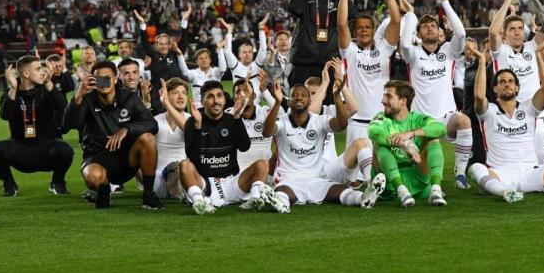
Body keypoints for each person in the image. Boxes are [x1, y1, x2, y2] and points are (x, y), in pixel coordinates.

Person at [261, 80, 384, 212]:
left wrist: (337, 96)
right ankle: (281, 203)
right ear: (289, 101)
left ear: (309, 101)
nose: (299, 98)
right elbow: (266, 132)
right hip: (289, 181)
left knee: (343, 190)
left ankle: (363, 198)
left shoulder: (319, 121)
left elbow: (341, 125)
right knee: (283, 192)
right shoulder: (281, 122)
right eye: (294, 95)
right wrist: (277, 102)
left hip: (317, 180)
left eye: (303, 95)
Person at [468, 41, 544, 202]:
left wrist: (538, 57)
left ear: (517, 87)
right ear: (495, 88)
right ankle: (504, 193)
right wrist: (481, 61)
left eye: (511, 81)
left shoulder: (529, 108)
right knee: (476, 168)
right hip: (501, 174)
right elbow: (479, 96)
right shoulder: (488, 111)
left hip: (531, 173)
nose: (507, 84)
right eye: (502, 82)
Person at [398, 0, 473, 188]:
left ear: (440, 31)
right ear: (418, 34)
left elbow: (461, 34)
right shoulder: (413, 54)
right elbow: (404, 44)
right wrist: (410, 14)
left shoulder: (449, 51)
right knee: (421, 175)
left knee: (464, 121)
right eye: (425, 27)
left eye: (433, 26)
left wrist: (445, 2)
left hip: (446, 117)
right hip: (420, 120)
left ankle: (460, 175)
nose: (430, 29)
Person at [62, 61, 163, 209]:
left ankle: (148, 194)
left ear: (116, 79)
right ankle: (104, 191)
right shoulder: (88, 99)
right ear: (93, 80)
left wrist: (127, 129)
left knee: (147, 138)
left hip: (126, 158)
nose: (104, 83)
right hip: (97, 156)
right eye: (99, 79)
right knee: (93, 177)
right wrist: (79, 95)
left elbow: (152, 124)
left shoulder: (130, 98)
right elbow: (68, 124)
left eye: (108, 78)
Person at [488, 0, 544, 165]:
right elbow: (492, 32)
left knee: (543, 163)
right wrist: (507, 0)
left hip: (536, 112)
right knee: (515, 160)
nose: (517, 32)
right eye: (512, 29)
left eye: (519, 28)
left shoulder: (532, 46)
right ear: (505, 34)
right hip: (510, 113)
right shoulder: (500, 51)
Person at [182, 80, 277, 214]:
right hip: (204, 182)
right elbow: (193, 156)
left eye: (219, 95)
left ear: (225, 100)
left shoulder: (231, 119)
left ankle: (255, 199)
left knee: (262, 164)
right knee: (184, 165)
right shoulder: (193, 120)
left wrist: (237, 118)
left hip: (231, 182)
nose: (216, 101)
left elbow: (244, 147)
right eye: (210, 96)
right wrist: (198, 127)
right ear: (202, 102)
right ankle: (199, 202)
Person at [0, 56, 73, 196]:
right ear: (26, 73)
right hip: (21, 148)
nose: (42, 71)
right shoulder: (10, 93)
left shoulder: (46, 89)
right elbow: (4, 115)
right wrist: (13, 89)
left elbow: (63, 108)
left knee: (65, 149)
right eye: (38, 69)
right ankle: (9, 184)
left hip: (47, 148)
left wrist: (49, 83)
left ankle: (57, 182)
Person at [337, 0, 400, 146]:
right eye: (359, 28)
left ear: (373, 31)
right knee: (356, 165)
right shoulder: (349, 51)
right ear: (354, 32)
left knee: (384, 164)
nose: (363, 30)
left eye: (367, 27)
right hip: (356, 123)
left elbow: (396, 21)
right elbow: (341, 24)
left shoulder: (385, 49)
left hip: (383, 121)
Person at [369, 81, 447, 207]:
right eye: (384, 96)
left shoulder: (418, 119)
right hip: (389, 185)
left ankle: (436, 191)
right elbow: (373, 132)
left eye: (388, 96)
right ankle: (401, 191)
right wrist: (405, 144)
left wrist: (412, 133)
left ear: (403, 101)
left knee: (433, 139)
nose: (383, 101)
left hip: (417, 180)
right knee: (379, 145)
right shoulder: (382, 118)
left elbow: (441, 129)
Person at [288, 0, 355, 87]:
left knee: (330, 100)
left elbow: (351, 14)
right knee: (300, 98)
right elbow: (293, 8)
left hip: (329, 63)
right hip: (303, 63)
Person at [151, 78, 192, 204]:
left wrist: (167, 104)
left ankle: (178, 192)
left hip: (183, 176)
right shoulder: (156, 120)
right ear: (166, 96)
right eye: (175, 93)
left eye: (184, 93)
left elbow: (188, 130)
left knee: (178, 166)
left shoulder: (191, 119)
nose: (181, 96)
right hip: (157, 179)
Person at [221, 14, 269, 92]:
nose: (247, 54)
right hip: (240, 99)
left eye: (249, 52)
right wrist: (229, 31)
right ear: (239, 55)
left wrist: (261, 28)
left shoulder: (257, 65)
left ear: (253, 54)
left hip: (256, 100)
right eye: (244, 52)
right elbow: (227, 52)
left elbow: (263, 49)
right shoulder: (235, 66)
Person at [178, 41, 227, 107]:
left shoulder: (215, 72)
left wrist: (220, 49)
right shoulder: (194, 73)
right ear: (197, 61)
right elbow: (185, 73)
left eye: (206, 58)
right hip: (199, 109)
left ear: (210, 60)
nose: (204, 60)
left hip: (214, 107)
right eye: (201, 58)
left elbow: (223, 69)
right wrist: (180, 55)